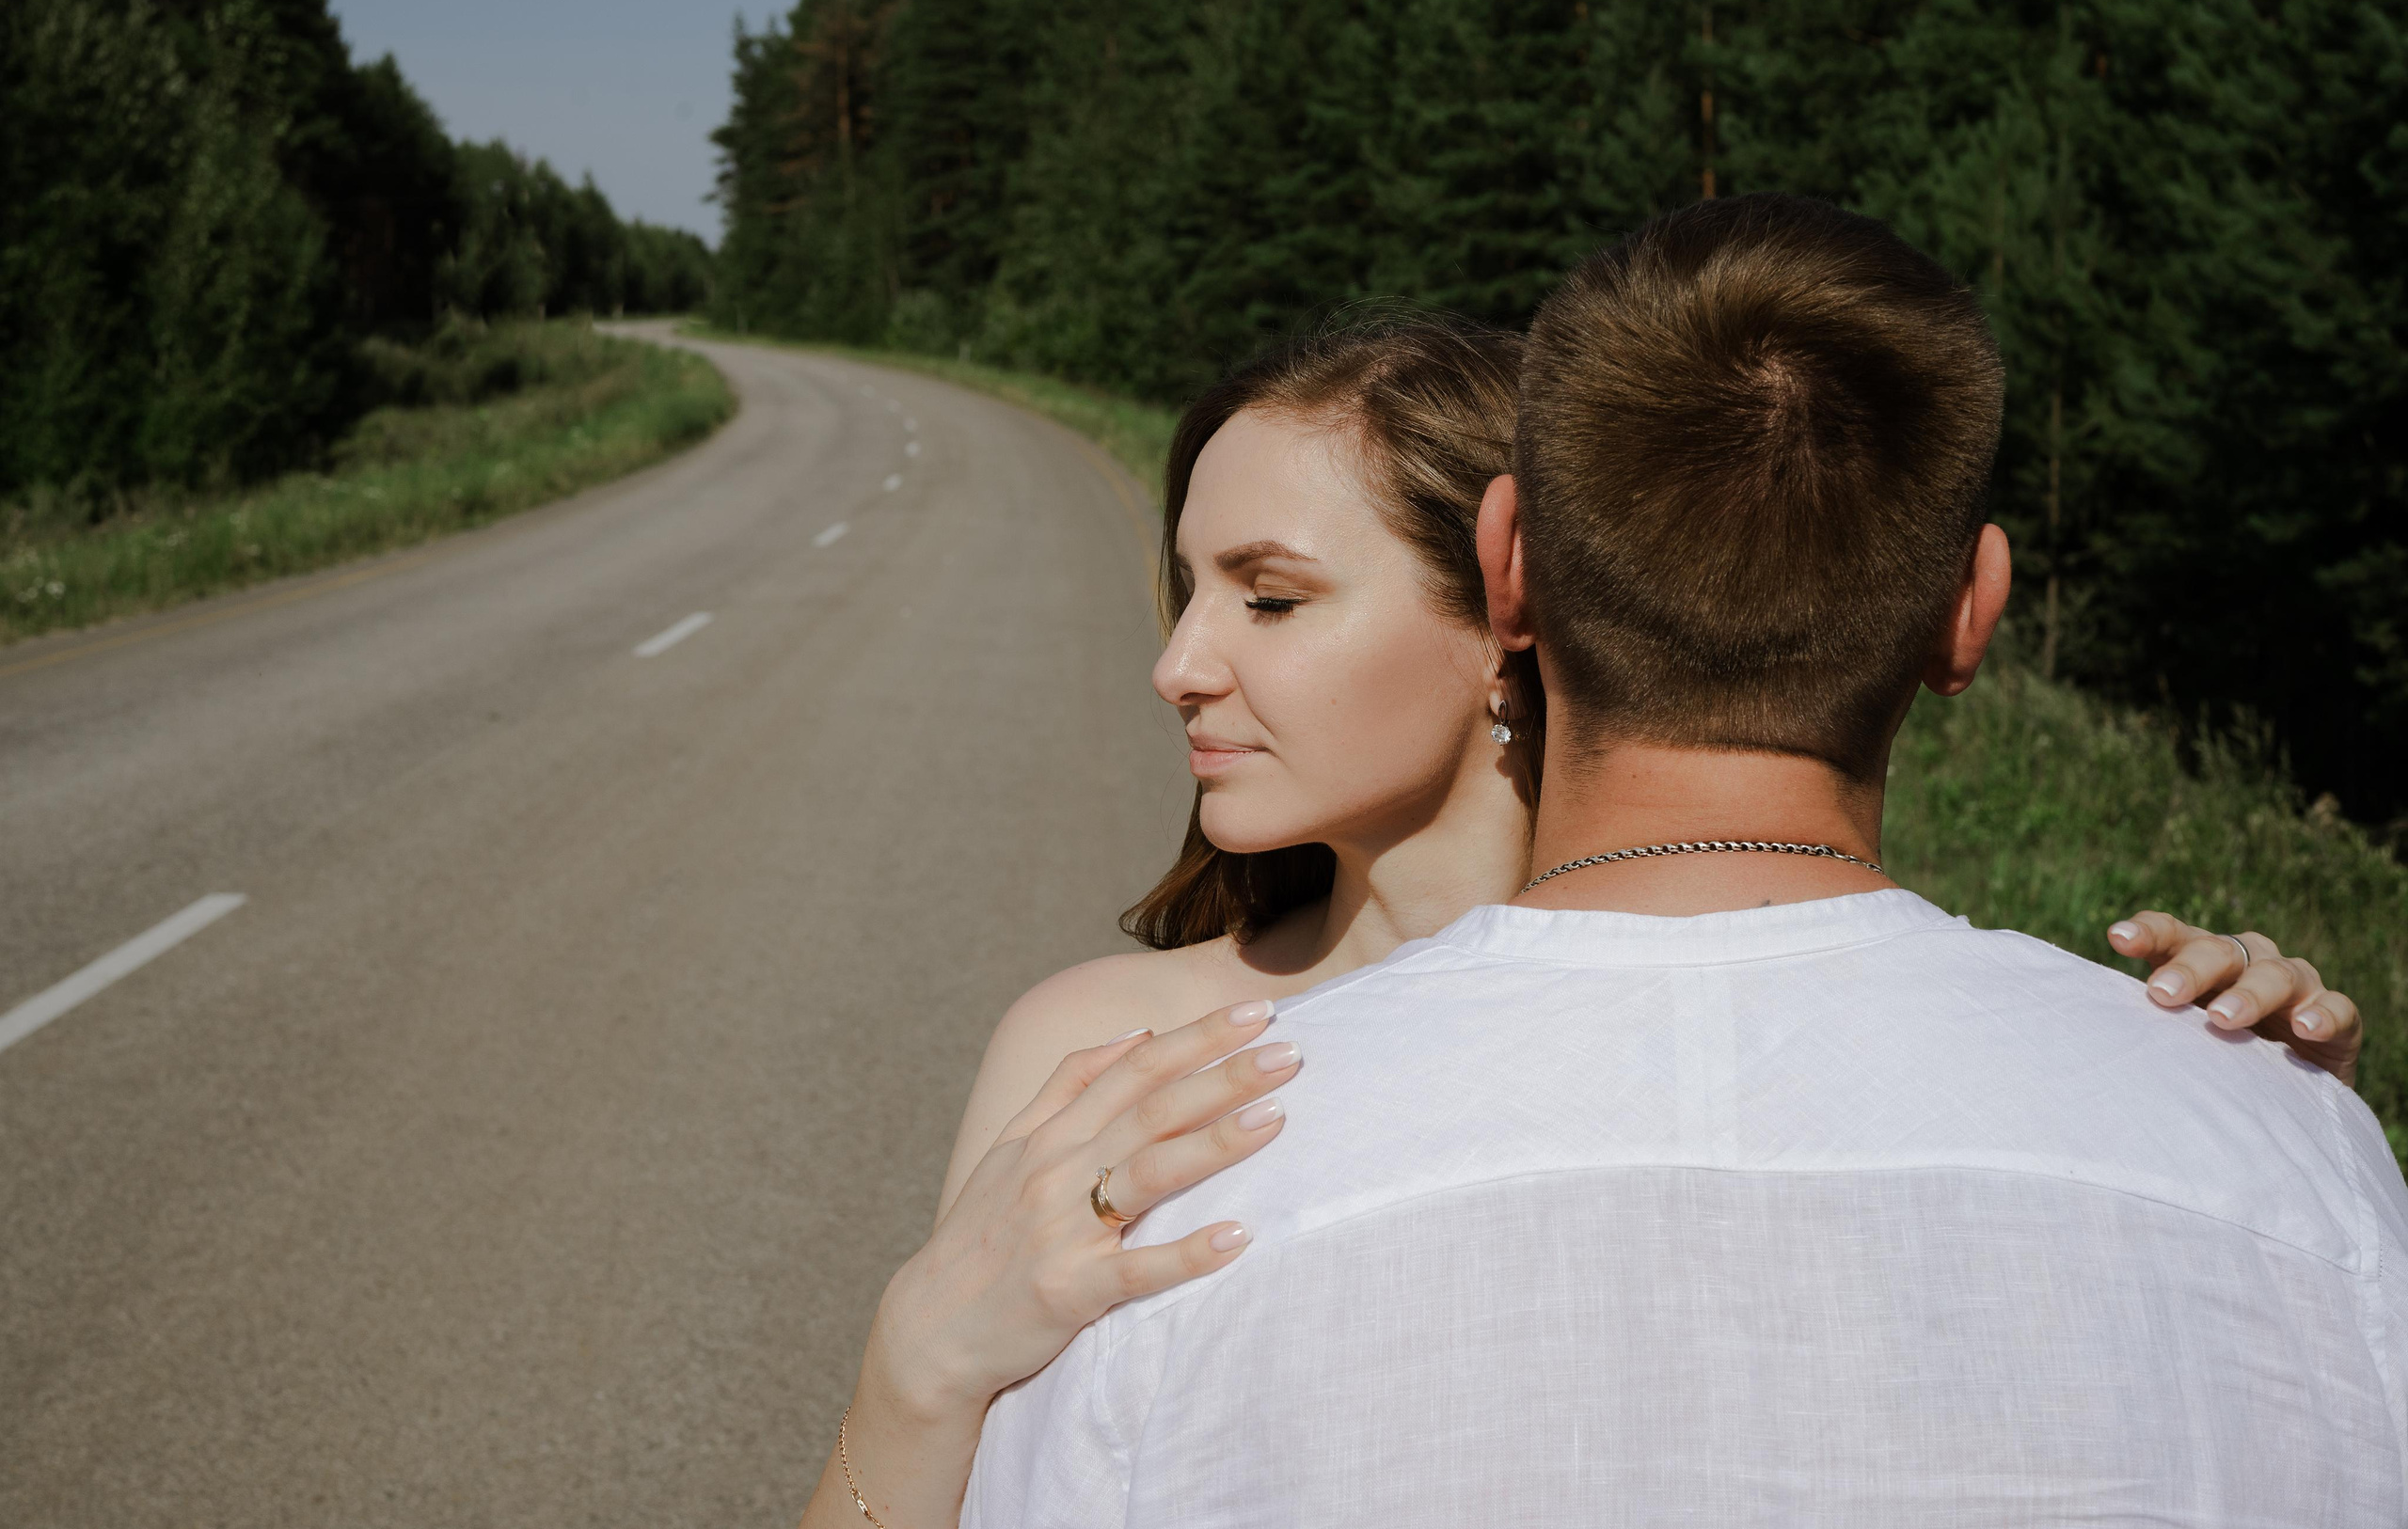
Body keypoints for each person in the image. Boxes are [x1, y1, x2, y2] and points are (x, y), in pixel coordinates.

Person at [943, 197, 2408, 1525]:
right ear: (1973, 613)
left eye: (1267, 597)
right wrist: (2256, 1118)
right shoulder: (2260, 1149)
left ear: (1506, 576)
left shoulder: (1193, 1183)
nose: (1177, 666)